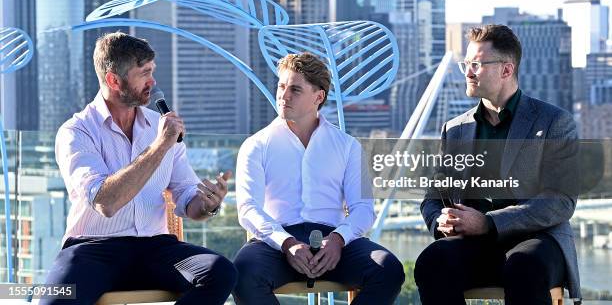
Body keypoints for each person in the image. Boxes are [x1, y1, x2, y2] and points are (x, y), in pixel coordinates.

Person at [41, 32, 237, 305]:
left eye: (152, 71)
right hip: (93, 249)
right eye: (143, 73)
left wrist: (208, 204)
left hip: (154, 248)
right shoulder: (76, 132)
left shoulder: (162, 128)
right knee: (54, 302)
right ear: (113, 80)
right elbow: (105, 202)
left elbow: (187, 198)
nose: (152, 81)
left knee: (221, 272)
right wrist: (160, 145)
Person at [415, 24, 581, 304]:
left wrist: (488, 223)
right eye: (466, 64)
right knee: (433, 261)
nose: (468, 72)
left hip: (537, 242)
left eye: (476, 65)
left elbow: (561, 200)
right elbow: (433, 197)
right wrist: (441, 221)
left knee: (522, 266)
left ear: (506, 70)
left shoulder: (553, 122)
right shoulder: (455, 129)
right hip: (475, 247)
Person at [232, 52, 405, 305]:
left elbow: (363, 209)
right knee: (244, 273)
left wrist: (338, 240)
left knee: (387, 269)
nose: (284, 95)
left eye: (295, 89)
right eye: (281, 86)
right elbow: (248, 209)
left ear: (319, 96)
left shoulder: (347, 146)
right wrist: (287, 243)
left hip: (335, 244)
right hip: (276, 244)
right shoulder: (256, 145)